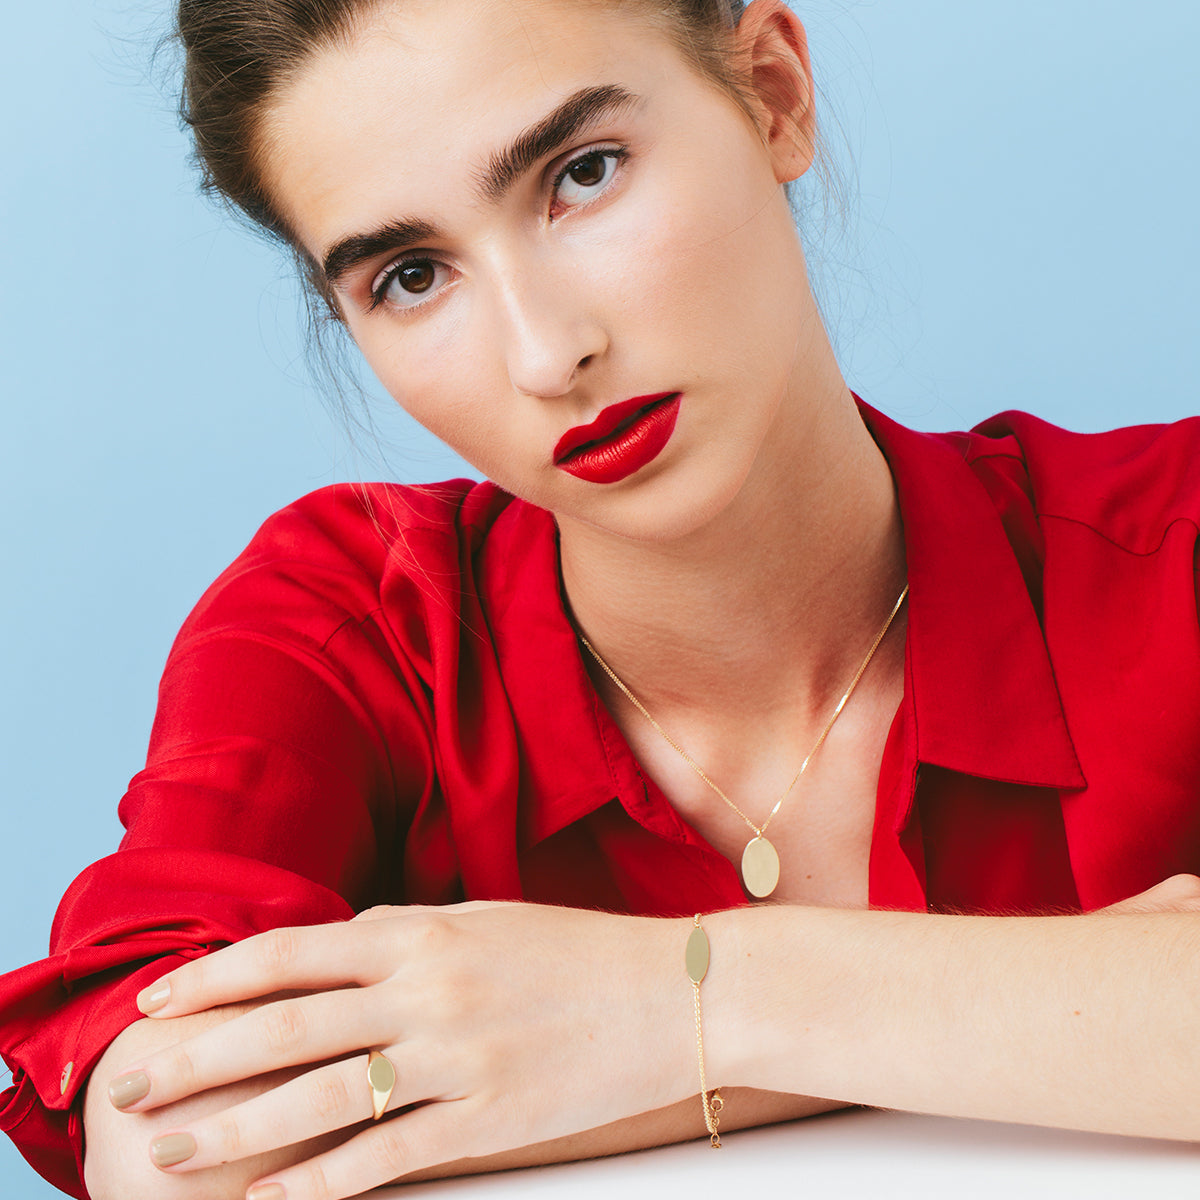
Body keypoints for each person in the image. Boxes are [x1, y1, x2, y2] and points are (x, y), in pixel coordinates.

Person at [5, 1, 1200, 1198]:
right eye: (411, 276)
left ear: (774, 94)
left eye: (583, 174)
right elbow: (172, 1143)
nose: (544, 353)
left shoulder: (1173, 544)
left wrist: (673, 1006)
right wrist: (1088, 1009)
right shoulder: (357, 622)